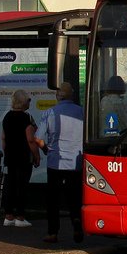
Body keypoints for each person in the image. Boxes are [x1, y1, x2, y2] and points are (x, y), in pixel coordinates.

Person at [36, 83, 85, 243]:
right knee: (75, 196)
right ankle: (77, 220)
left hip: (55, 162)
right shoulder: (81, 112)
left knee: (53, 199)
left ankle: (53, 232)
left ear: (58, 97)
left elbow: (38, 138)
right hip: (76, 162)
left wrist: (46, 148)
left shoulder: (50, 112)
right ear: (72, 96)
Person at [1, 89, 39, 227]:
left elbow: (3, 138)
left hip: (10, 155)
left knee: (10, 185)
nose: (30, 102)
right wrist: (37, 156)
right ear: (24, 102)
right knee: (22, 186)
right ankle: (20, 217)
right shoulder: (26, 118)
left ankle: (8, 215)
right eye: (29, 100)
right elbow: (30, 140)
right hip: (23, 156)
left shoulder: (7, 117)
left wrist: (7, 152)